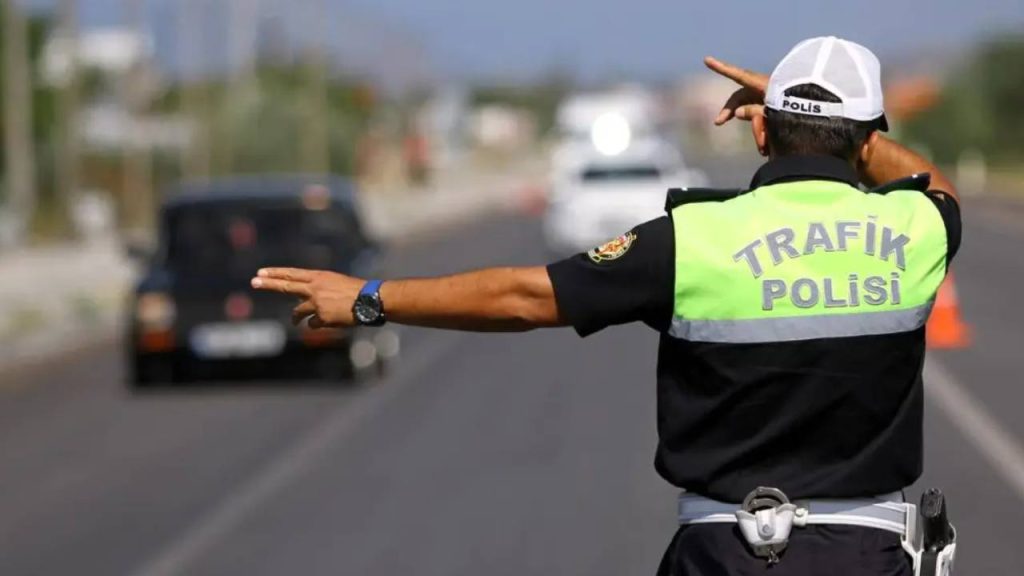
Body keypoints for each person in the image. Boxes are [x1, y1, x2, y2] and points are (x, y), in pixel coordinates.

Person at [252, 37, 961, 576]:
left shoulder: (689, 239)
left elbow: (524, 296)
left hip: (724, 552)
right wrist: (833, 124)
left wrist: (371, 300)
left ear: (760, 131)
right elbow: (933, 183)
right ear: (868, 140)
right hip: (868, 555)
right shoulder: (917, 229)